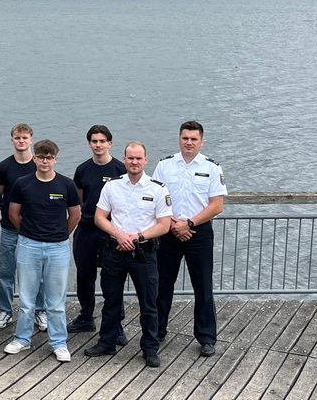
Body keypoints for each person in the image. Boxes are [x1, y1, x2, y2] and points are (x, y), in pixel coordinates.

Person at [86, 142, 172, 367]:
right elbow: (100, 217)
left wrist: (137, 238)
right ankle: (107, 342)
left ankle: (150, 348)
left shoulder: (157, 188)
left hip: (144, 253)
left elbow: (164, 225)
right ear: (124, 159)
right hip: (114, 251)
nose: (134, 162)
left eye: (138, 158)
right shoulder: (112, 187)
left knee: (149, 303)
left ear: (146, 160)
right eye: (130, 158)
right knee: (111, 301)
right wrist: (119, 235)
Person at [153, 120, 227, 357]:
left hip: (199, 232)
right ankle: (156, 330)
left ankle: (206, 337)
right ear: (179, 139)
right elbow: (155, 198)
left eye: (194, 139)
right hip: (168, 230)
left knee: (202, 286)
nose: (189, 142)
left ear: (201, 141)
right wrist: (175, 224)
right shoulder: (165, 166)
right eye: (185, 138)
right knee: (162, 284)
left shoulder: (212, 168)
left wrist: (189, 223)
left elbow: (217, 206)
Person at [4, 139, 79, 363]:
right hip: (28, 245)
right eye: (41, 157)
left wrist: (60, 235)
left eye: (49, 157)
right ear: (34, 158)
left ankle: (58, 342)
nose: (45, 161)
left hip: (58, 247)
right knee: (27, 298)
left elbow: (74, 215)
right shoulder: (22, 183)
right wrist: (28, 233)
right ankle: (22, 339)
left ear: (55, 159)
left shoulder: (66, 185)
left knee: (55, 300)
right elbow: (13, 213)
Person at [69, 125, 127, 335]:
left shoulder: (120, 169)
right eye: (94, 141)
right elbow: (79, 200)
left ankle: (116, 324)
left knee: (114, 277)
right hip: (86, 230)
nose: (98, 145)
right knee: (85, 276)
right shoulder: (83, 170)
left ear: (110, 143)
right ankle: (86, 316)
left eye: (102, 141)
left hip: (112, 230)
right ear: (89, 144)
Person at [0, 123, 37, 331]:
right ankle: (5, 310)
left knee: (38, 273)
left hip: (35, 231)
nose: (21, 141)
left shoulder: (38, 165)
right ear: (12, 140)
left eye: (25, 138)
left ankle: (40, 310)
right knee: (6, 272)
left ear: (31, 140)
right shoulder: (3, 167)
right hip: (10, 229)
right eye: (17, 138)